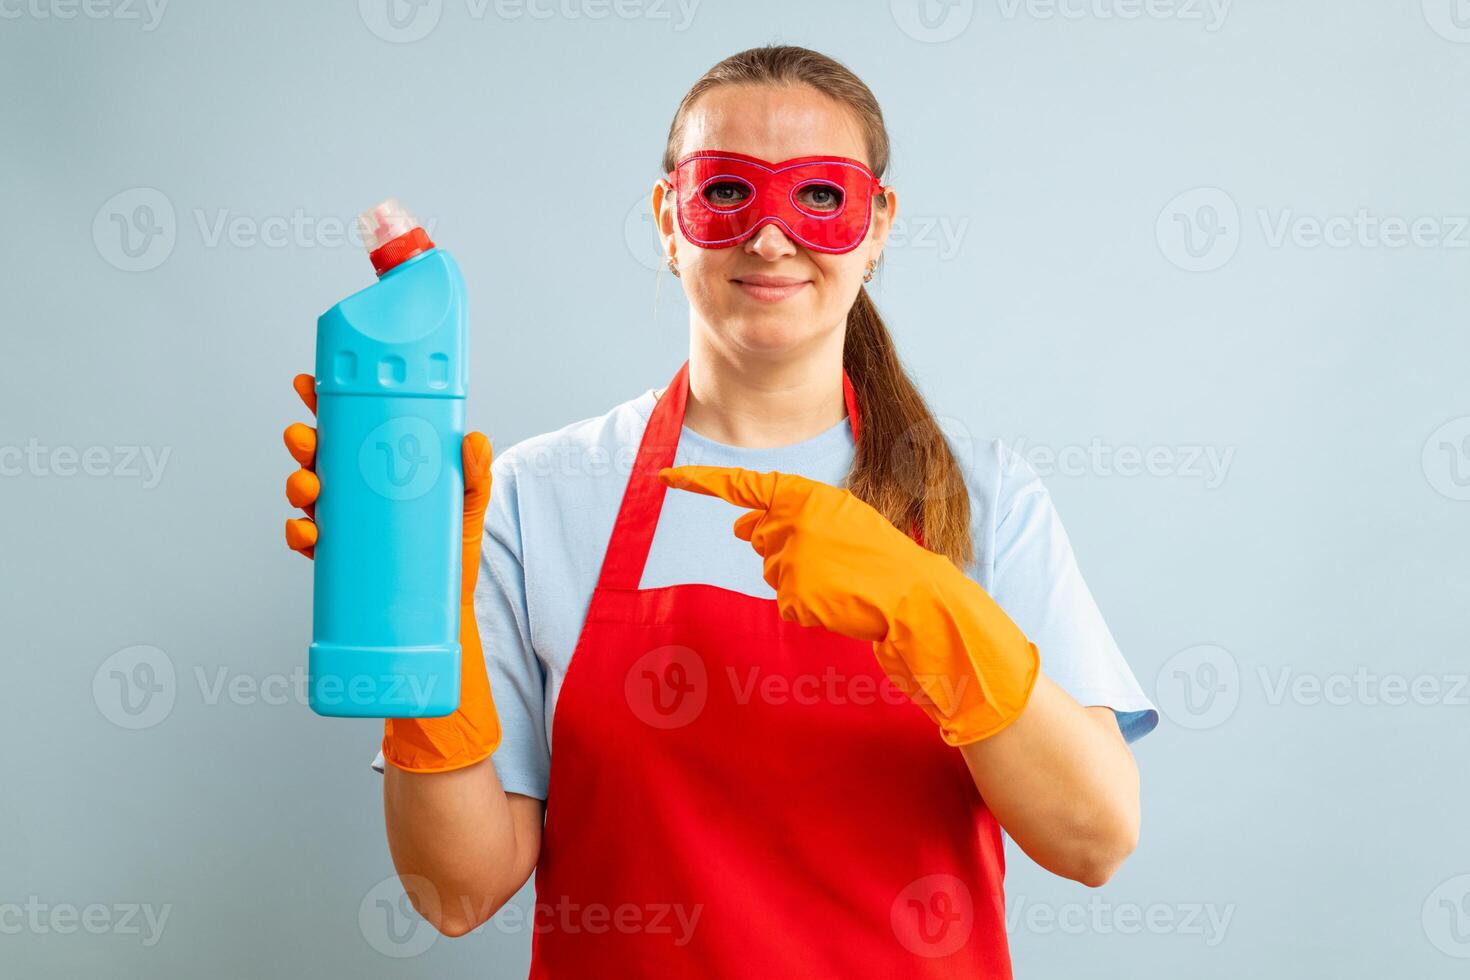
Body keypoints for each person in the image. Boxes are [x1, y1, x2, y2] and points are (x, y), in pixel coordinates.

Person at [283, 44, 1157, 979]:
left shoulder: (983, 497)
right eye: (728, 192)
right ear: (668, 218)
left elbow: (1093, 842)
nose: (772, 238)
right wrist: (418, 631)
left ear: (878, 226)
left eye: (821, 197)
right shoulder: (537, 497)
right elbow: (456, 893)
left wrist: (926, 601)